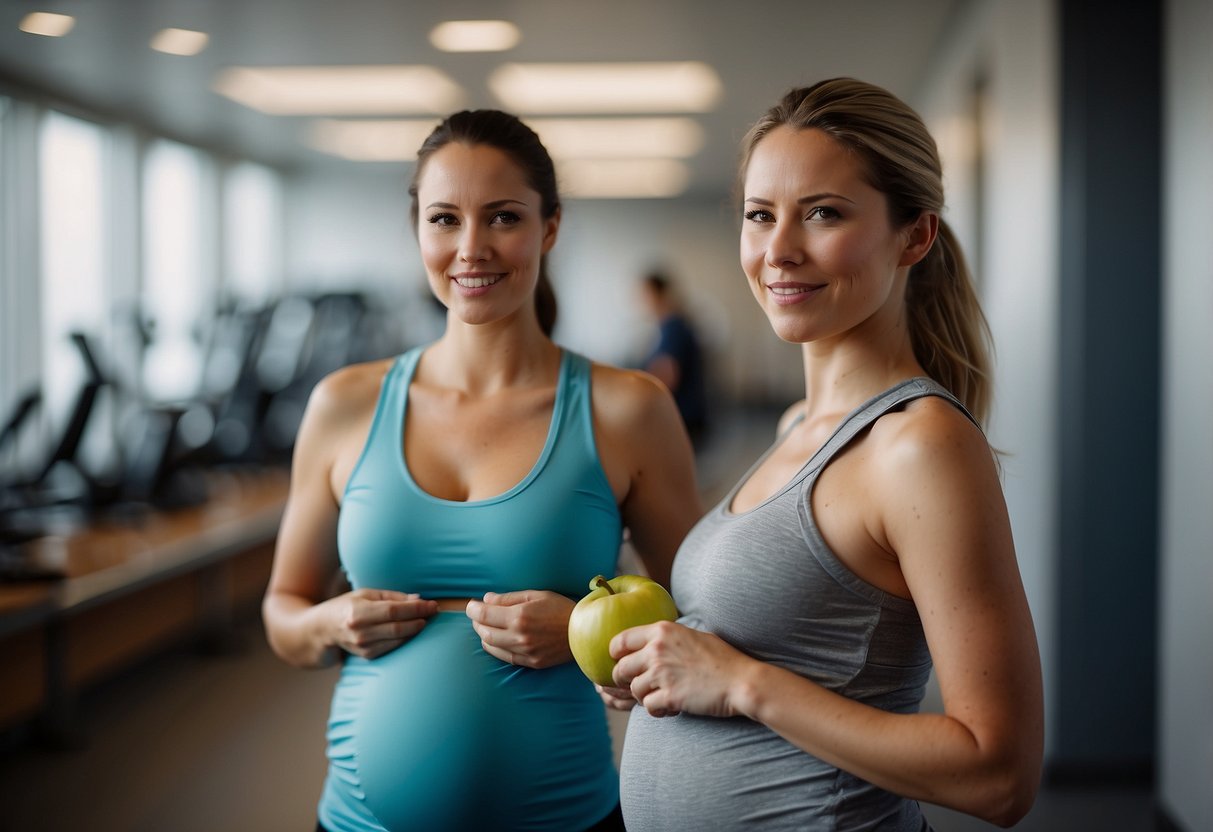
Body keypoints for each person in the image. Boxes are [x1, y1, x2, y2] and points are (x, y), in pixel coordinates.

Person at [606, 78, 1044, 830]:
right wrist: (665, 665)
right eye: (758, 216)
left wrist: (741, 683)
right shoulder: (797, 423)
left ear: (914, 236)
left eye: (822, 213)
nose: (778, 251)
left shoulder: (918, 445)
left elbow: (996, 773)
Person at [261, 109, 702, 832]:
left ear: (549, 227)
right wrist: (330, 623)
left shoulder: (627, 410)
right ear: (417, 232)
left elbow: (700, 620)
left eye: (502, 217)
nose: (471, 248)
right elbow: (283, 611)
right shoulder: (343, 404)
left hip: (569, 816)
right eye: (444, 219)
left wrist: (585, 634)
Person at [637, 271, 710, 449]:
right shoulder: (672, 327)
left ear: (657, 294)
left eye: (643, 295)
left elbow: (666, 376)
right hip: (688, 417)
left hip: (683, 419)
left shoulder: (673, 328)